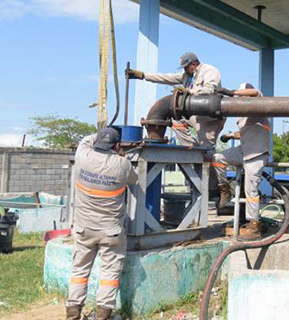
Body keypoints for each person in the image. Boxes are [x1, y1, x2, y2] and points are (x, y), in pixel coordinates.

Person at [126, 52, 231, 205]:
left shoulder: (210, 71)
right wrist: (143, 75)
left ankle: (222, 188)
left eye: (186, 67)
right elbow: (166, 78)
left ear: (194, 64)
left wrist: (190, 92)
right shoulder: (187, 76)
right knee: (175, 121)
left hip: (210, 118)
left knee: (209, 152)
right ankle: (193, 148)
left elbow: (210, 89)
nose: (184, 70)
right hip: (195, 115)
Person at [66, 127, 138, 320]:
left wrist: (101, 134)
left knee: (79, 272)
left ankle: (73, 313)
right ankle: (103, 316)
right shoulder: (123, 165)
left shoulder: (82, 156)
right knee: (109, 275)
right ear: (117, 145)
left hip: (83, 229)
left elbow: (85, 140)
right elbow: (134, 179)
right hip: (110, 232)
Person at [212, 83, 272, 240]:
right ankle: (224, 189)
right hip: (244, 151)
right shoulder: (242, 115)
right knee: (218, 158)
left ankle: (254, 224)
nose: (239, 99)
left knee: (251, 189)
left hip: (257, 153)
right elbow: (246, 132)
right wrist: (230, 136)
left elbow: (254, 92)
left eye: (241, 95)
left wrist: (231, 92)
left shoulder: (259, 105)